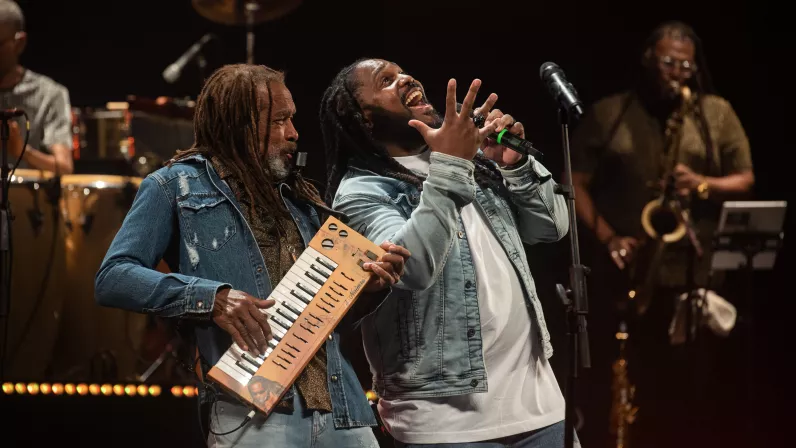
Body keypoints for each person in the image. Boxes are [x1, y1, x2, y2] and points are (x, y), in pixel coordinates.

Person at [95, 63, 411, 448]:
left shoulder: (301, 197)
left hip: (343, 411)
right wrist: (212, 298)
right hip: (253, 415)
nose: (294, 133)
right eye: (279, 121)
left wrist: (367, 287)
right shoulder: (175, 185)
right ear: (239, 124)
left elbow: (327, 321)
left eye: (292, 119)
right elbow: (114, 277)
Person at [320, 58, 579, 448]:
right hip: (444, 423)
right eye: (386, 81)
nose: (406, 78)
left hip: (540, 406)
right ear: (364, 119)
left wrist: (516, 166)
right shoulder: (361, 192)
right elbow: (414, 269)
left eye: (402, 71)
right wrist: (452, 163)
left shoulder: (477, 160)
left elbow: (551, 227)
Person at [569, 21, 755, 448]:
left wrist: (702, 184)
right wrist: (609, 237)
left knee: (692, 389)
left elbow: (745, 179)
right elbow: (573, 180)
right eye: (669, 62)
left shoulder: (715, 113)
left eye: (686, 66)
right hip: (626, 274)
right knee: (623, 386)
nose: (677, 73)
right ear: (648, 59)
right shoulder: (610, 113)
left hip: (694, 276)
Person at [0, 0, 73, 174]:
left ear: (19, 43)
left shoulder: (49, 94)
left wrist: (22, 152)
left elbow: (64, 167)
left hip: (24, 192)